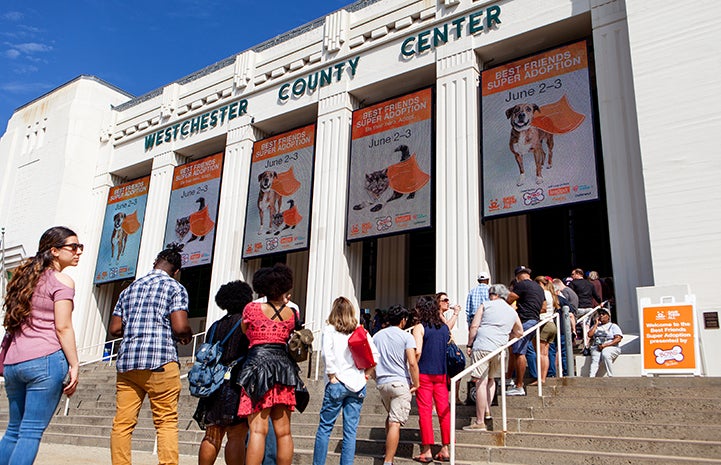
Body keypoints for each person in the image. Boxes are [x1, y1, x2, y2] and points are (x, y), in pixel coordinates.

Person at [0, 226, 81, 465]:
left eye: (80, 247)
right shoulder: (62, 280)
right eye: (73, 247)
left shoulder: (23, 278)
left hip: (14, 363)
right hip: (45, 361)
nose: (78, 252)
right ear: (54, 251)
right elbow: (62, 327)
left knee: (13, 430)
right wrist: (75, 364)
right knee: (31, 432)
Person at [109, 244, 193, 465]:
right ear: (176, 271)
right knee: (165, 422)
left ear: (155, 264)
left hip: (128, 363)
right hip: (160, 360)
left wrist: (137, 327)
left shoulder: (129, 289)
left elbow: (115, 329)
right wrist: (187, 335)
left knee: (122, 423)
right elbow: (180, 326)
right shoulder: (175, 288)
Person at [235, 264, 308, 465]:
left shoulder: (251, 309)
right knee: (284, 432)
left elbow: (245, 331)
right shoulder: (292, 314)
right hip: (284, 369)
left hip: (258, 366)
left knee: (258, 430)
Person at [312, 297, 379, 465]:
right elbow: (375, 356)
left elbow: (327, 354)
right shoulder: (359, 329)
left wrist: (332, 376)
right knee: (350, 431)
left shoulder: (330, 329)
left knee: (325, 428)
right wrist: (366, 376)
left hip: (337, 382)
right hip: (357, 384)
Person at [194, 281, 254, 465]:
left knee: (212, 435)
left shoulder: (214, 326)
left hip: (213, 386)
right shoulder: (245, 324)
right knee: (236, 436)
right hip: (235, 384)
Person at [463, 284, 523, 431]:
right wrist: (506, 337)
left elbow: (474, 326)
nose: (489, 296)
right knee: (491, 379)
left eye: (491, 293)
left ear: (494, 295)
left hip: (483, 345)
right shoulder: (511, 311)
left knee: (480, 382)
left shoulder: (486, 305)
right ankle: (488, 410)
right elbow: (520, 332)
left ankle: (479, 421)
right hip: (500, 348)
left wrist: (470, 344)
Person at [372, 305, 419, 465]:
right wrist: (416, 382)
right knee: (395, 422)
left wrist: (375, 377)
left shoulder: (377, 336)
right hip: (399, 382)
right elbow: (412, 363)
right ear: (403, 320)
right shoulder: (406, 336)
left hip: (382, 382)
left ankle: (388, 451)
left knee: (390, 417)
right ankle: (388, 460)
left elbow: (370, 360)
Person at [412, 296, 452, 463]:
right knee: (444, 411)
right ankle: (445, 448)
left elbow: (418, 351)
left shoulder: (419, 327)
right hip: (441, 374)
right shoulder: (444, 328)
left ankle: (427, 449)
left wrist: (411, 369)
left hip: (424, 374)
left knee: (425, 411)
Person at [505, 266, 544, 396]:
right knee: (527, 350)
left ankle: (519, 385)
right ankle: (522, 380)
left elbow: (510, 299)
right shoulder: (538, 287)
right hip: (535, 320)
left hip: (525, 321)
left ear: (518, 276)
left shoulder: (522, 285)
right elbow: (543, 306)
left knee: (518, 352)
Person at [530, 276, 558, 384]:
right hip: (551, 324)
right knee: (545, 353)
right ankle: (543, 378)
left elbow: (542, 308)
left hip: (544, 324)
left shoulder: (542, 294)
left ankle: (541, 378)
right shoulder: (551, 294)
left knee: (541, 353)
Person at [588, 308, 623, 377]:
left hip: (611, 347)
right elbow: (590, 335)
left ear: (608, 316)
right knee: (595, 358)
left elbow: (618, 338)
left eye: (603, 314)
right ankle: (591, 377)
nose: (601, 316)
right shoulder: (596, 326)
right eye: (600, 314)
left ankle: (610, 375)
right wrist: (596, 324)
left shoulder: (613, 326)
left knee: (605, 353)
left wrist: (605, 345)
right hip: (597, 346)